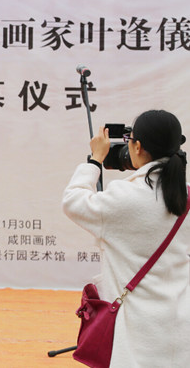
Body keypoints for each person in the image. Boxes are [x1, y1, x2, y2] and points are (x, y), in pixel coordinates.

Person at [62, 110, 190, 366]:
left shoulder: (124, 197)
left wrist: (95, 160)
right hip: (180, 322)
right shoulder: (185, 197)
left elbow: (73, 201)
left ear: (138, 146)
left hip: (136, 328)